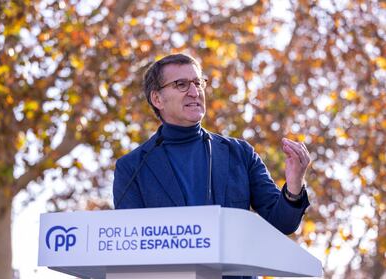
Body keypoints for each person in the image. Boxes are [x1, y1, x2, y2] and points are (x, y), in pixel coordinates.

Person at [113, 53, 311, 279]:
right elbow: (130, 250)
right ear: (157, 99)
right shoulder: (132, 168)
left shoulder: (240, 153)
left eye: (198, 83)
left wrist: (295, 184)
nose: (194, 92)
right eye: (181, 84)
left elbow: (281, 222)